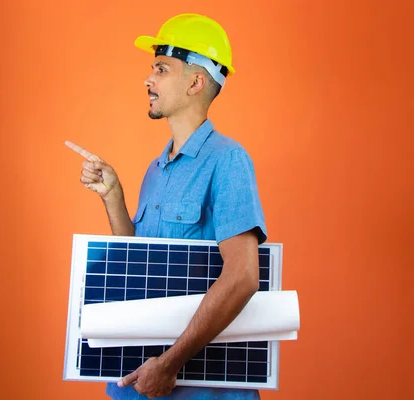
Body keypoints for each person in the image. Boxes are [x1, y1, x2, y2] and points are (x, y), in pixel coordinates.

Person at [66, 13, 267, 400]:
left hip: (200, 390)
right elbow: (140, 267)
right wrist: (113, 197)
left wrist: (170, 364)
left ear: (195, 82)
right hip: (138, 381)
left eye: (161, 69)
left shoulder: (228, 161)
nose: (148, 80)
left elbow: (243, 277)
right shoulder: (156, 170)